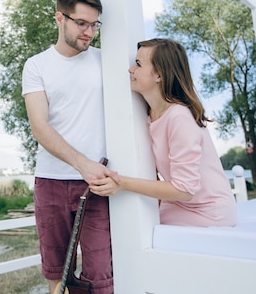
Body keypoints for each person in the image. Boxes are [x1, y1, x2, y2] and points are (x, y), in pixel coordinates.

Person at [22, 0, 116, 294]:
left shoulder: (108, 61)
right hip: (51, 181)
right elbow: (40, 127)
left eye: (94, 24)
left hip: (98, 183)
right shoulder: (36, 66)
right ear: (59, 19)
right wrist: (82, 164)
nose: (89, 32)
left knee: (102, 278)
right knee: (58, 278)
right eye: (81, 23)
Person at [90, 38, 236, 227]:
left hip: (208, 211)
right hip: (177, 205)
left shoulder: (179, 117)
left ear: (159, 75)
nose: (131, 69)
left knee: (134, 231)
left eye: (138, 64)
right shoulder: (150, 113)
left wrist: (122, 183)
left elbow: (184, 189)